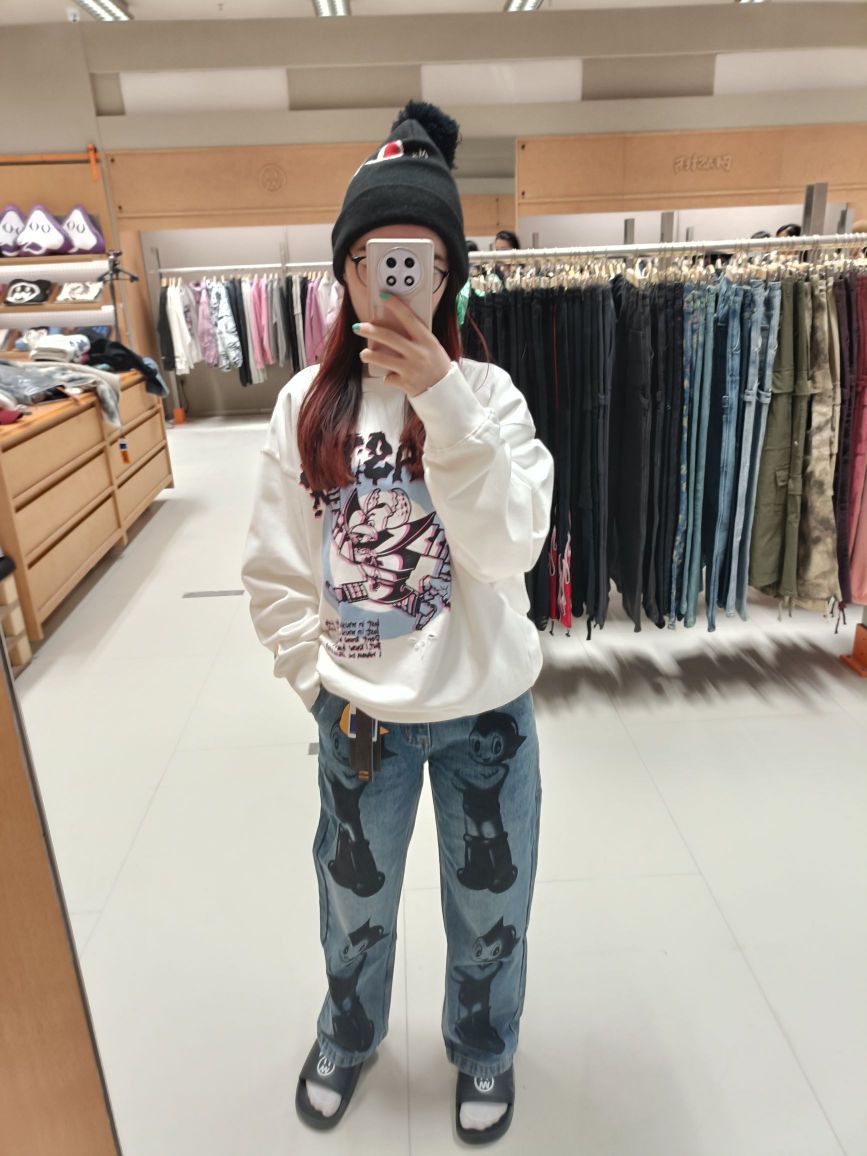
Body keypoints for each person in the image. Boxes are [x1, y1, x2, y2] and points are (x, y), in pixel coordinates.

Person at [242, 100, 554, 1144]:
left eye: (420, 262)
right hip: (359, 720)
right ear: (345, 272)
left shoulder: (493, 398)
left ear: (449, 274)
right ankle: (348, 1031)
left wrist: (445, 401)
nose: (398, 283)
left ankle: (485, 1049)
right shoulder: (304, 405)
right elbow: (274, 566)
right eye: (379, 261)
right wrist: (316, 680)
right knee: (353, 909)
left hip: (487, 716)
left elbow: (509, 550)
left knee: (491, 913)